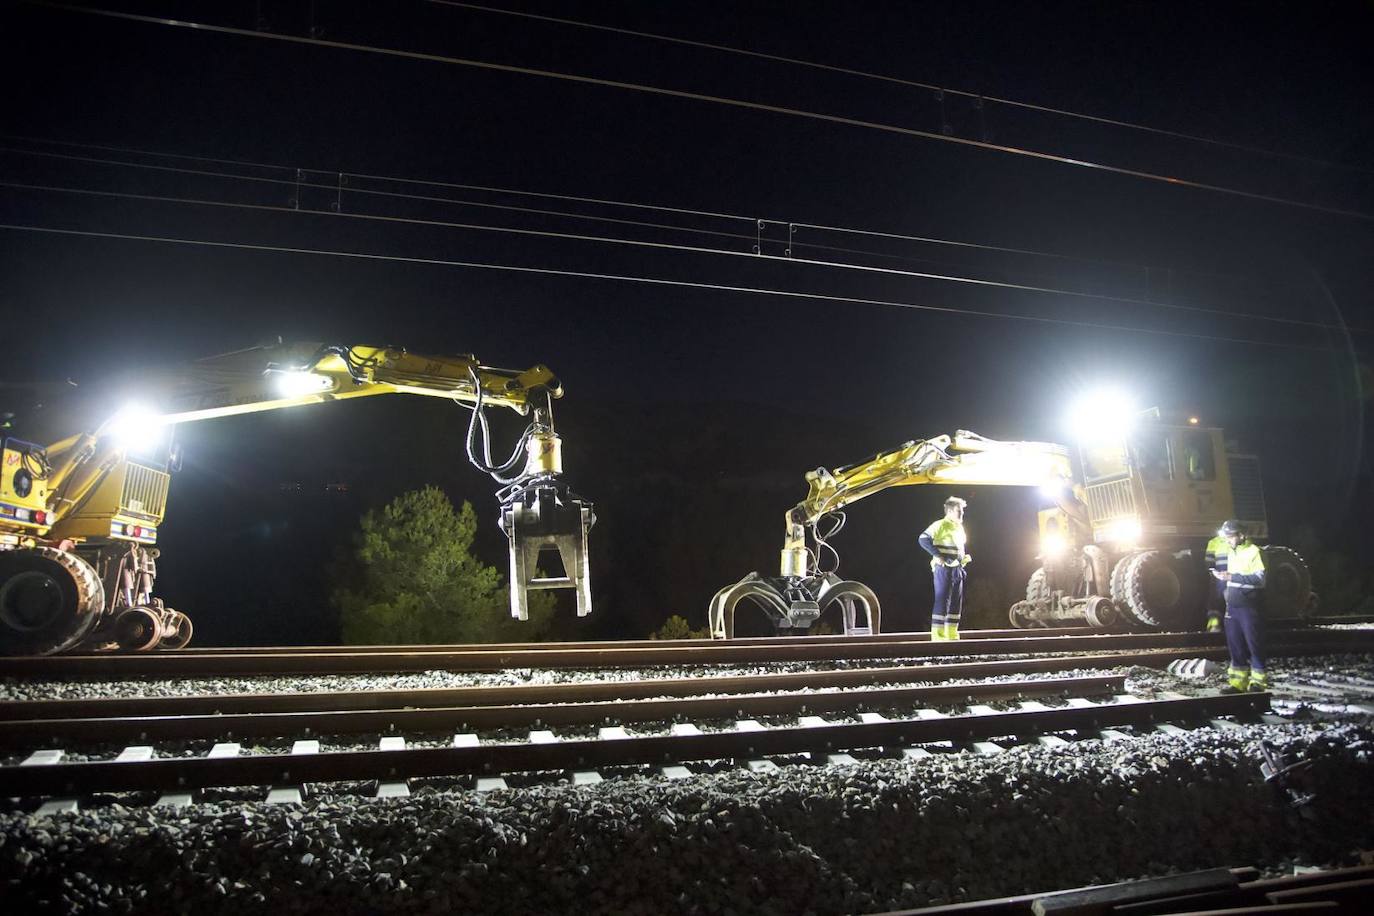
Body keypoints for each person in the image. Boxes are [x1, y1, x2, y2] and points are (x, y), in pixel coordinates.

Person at [1217, 519, 1268, 692]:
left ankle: (1258, 683)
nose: (1228, 540)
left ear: (1241, 535)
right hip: (1232, 607)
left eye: (1230, 536)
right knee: (1235, 645)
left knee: (1254, 644)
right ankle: (1238, 683)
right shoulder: (1233, 552)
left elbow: (1260, 580)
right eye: (1227, 537)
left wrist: (1231, 577)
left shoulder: (1255, 552)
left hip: (1249, 606)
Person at [920, 496, 970, 641]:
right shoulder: (940, 525)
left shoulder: (959, 528)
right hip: (943, 568)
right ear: (949, 511)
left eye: (962, 511)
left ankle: (952, 635)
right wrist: (938, 555)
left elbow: (959, 548)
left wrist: (962, 562)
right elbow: (923, 539)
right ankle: (938, 636)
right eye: (958, 510)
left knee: (955, 602)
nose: (961, 514)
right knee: (942, 600)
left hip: (957, 569)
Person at [1202, 531, 1229, 633]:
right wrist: (1213, 572)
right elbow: (1209, 561)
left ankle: (1221, 625)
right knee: (1215, 600)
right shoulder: (1214, 542)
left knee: (1219, 600)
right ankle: (1214, 625)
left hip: (1230, 574)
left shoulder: (1235, 542)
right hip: (1219, 574)